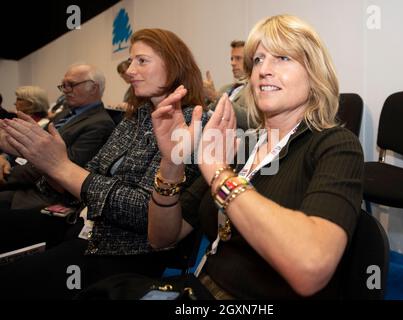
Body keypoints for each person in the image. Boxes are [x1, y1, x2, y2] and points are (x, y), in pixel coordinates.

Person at [83, 14, 364, 300]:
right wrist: (172, 162)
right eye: (257, 60)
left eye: (282, 58)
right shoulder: (243, 146)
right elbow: (162, 237)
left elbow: (311, 267)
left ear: (315, 74)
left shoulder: (336, 145)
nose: (263, 69)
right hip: (199, 288)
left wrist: (218, 171)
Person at [0, 28, 209, 300]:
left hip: (128, 254)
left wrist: (61, 166)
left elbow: (144, 211)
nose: (130, 71)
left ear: (174, 64)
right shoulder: (136, 117)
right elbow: (84, 180)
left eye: (142, 61)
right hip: (86, 232)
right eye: (131, 61)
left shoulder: (196, 123)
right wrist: (44, 158)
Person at [0, 64, 116, 210]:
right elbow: (30, 143)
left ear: (93, 88)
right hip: (24, 181)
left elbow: (59, 167)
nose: (66, 91)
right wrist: (4, 158)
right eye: (63, 85)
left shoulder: (100, 124)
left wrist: (7, 176)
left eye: (71, 85)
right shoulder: (65, 113)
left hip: (45, 194)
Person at [204, 40, 255, 130]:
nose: (233, 63)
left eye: (238, 58)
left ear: (250, 61)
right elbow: (206, 112)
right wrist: (204, 96)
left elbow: (251, 120)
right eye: (232, 59)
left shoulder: (256, 88)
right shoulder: (225, 88)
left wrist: (215, 96)